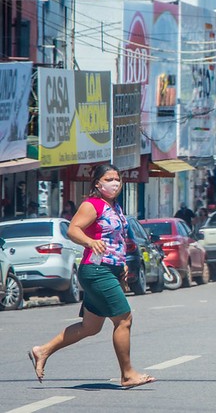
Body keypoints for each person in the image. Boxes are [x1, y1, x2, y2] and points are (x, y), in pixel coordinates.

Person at [28, 164, 155, 389]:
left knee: (90, 327)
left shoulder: (114, 206)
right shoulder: (92, 205)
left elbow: (115, 241)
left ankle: (43, 350)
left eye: (117, 178)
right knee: (124, 319)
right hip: (97, 271)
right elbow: (73, 229)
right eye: (109, 179)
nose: (115, 183)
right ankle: (127, 374)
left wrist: (122, 266)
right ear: (97, 183)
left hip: (109, 270)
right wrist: (89, 241)